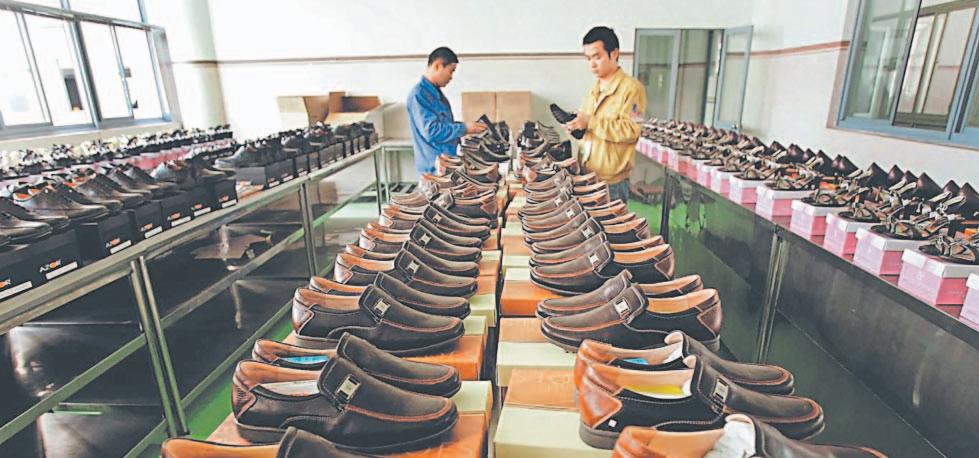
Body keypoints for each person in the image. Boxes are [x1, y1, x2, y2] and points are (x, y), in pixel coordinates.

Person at [564, 27, 647, 202]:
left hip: (611, 184)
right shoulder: (594, 90)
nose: (592, 64)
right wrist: (577, 127)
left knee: (609, 221)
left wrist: (591, 122)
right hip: (587, 175)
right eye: (588, 58)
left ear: (614, 54)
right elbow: (590, 128)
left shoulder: (632, 89)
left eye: (597, 57)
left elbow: (632, 130)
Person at [406, 47, 486, 176]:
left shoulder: (435, 94)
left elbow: (444, 125)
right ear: (437, 66)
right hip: (435, 170)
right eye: (451, 71)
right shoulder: (419, 95)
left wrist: (467, 128)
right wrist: (464, 128)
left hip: (447, 164)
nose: (451, 77)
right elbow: (432, 132)